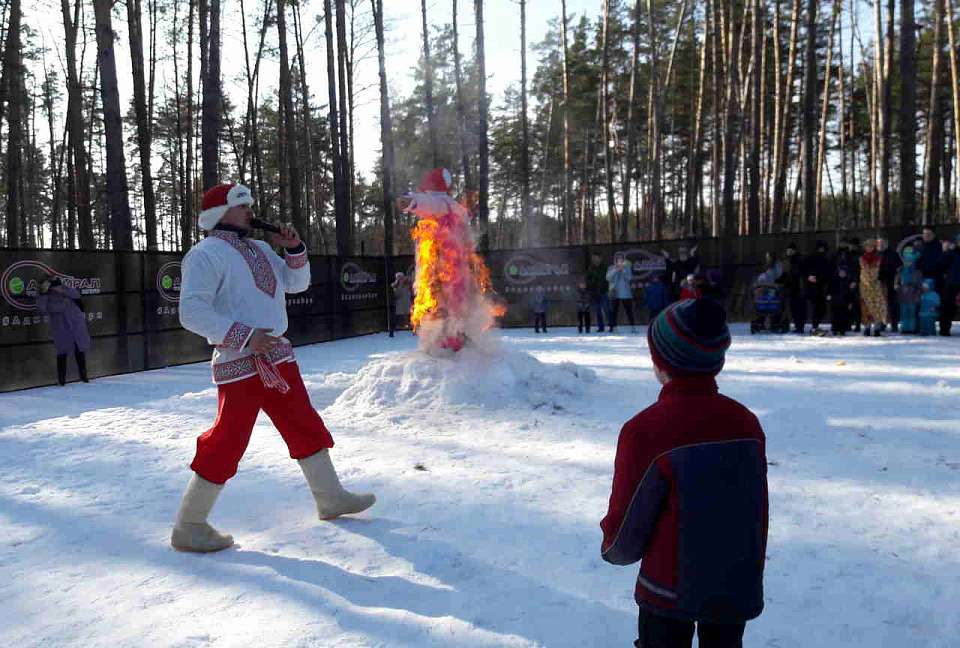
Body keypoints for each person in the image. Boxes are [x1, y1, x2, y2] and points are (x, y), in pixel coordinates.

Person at [171, 182, 375, 553]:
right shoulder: (203, 255)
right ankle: (190, 525)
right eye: (242, 205)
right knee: (228, 439)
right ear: (218, 214)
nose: (250, 210)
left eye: (250, 204)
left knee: (304, 422)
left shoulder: (263, 248)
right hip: (241, 362)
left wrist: (294, 249)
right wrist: (246, 337)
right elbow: (192, 312)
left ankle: (330, 498)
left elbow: (297, 283)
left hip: (278, 357)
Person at [601, 299, 767, 648]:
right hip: (733, 586)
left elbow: (625, 532)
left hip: (667, 589)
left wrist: (612, 547)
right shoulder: (746, 423)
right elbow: (753, 512)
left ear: (661, 362)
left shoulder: (646, 430)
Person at [35, 275, 91, 385]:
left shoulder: (67, 292)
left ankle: (84, 377)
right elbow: (41, 308)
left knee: (79, 351)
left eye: (58, 285)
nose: (58, 288)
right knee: (62, 353)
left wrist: (63, 288)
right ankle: (61, 381)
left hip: (76, 326)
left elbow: (76, 294)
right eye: (55, 286)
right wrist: (43, 292)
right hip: (61, 328)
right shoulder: (47, 296)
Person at [859, 239, 888, 337]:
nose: (869, 248)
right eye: (867, 246)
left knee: (877, 306)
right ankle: (867, 327)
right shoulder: (861, 258)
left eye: (871, 246)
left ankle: (877, 328)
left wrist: (879, 280)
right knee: (866, 306)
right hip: (865, 285)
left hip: (876, 285)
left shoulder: (879, 258)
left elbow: (884, 271)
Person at [805, 240, 832, 334]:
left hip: (822, 287)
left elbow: (828, 273)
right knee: (816, 307)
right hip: (812, 287)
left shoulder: (826, 259)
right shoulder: (810, 258)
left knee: (822, 308)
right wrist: (808, 276)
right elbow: (804, 269)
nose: (821, 250)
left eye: (823, 248)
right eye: (820, 248)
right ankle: (814, 327)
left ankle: (815, 326)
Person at [779, 243, 807, 334]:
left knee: (798, 308)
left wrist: (785, 280)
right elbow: (787, 274)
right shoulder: (789, 260)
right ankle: (798, 326)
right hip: (792, 288)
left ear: (794, 251)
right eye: (788, 250)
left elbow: (794, 274)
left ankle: (800, 326)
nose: (788, 252)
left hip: (798, 288)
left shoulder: (798, 260)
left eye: (790, 250)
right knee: (794, 308)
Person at [895, 246, 922, 334]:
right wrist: (897, 287)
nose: (908, 263)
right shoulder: (900, 271)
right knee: (904, 312)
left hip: (913, 295)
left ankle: (912, 328)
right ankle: (904, 328)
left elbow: (919, 285)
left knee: (912, 312)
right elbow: (896, 282)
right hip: (903, 294)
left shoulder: (917, 272)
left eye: (910, 261)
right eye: (906, 261)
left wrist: (918, 293)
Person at [607, 253, 636, 332]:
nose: (619, 260)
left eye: (621, 258)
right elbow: (608, 278)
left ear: (623, 259)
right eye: (618, 258)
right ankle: (614, 328)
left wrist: (623, 270)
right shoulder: (611, 267)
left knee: (629, 311)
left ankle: (632, 327)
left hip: (626, 293)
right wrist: (616, 270)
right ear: (615, 259)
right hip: (615, 293)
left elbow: (629, 278)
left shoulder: (627, 267)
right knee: (614, 311)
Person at [877, 238, 902, 332]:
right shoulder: (875, 254)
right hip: (879, 283)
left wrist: (897, 281)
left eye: (882, 243)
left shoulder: (893, 254)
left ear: (887, 243)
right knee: (881, 305)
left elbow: (899, 268)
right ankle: (882, 324)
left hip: (891, 282)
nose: (881, 245)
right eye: (879, 243)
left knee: (893, 304)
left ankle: (894, 324)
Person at [938, 235, 960, 336]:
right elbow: (941, 264)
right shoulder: (951, 253)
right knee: (948, 306)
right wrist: (945, 252)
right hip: (952, 282)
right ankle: (944, 329)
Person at [586, 253, 612, 332]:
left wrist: (608, 289)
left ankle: (611, 326)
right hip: (594, 293)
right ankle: (601, 327)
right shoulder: (591, 268)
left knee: (606, 309)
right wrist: (590, 288)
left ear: (600, 258)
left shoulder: (605, 267)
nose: (595, 259)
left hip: (604, 292)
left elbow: (609, 279)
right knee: (598, 311)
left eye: (596, 258)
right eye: (593, 258)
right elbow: (588, 279)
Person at [828, 265, 854, 336]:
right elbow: (830, 289)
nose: (842, 273)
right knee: (835, 316)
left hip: (845, 302)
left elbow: (851, 293)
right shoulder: (834, 280)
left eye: (843, 272)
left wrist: (850, 302)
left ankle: (842, 330)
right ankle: (835, 329)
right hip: (835, 301)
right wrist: (829, 295)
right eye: (841, 272)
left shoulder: (848, 281)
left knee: (843, 316)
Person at [917, 226, 944, 291]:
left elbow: (935, 263)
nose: (925, 236)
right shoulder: (922, 245)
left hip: (933, 278)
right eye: (924, 234)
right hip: (922, 276)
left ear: (933, 235)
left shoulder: (938, 246)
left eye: (928, 234)